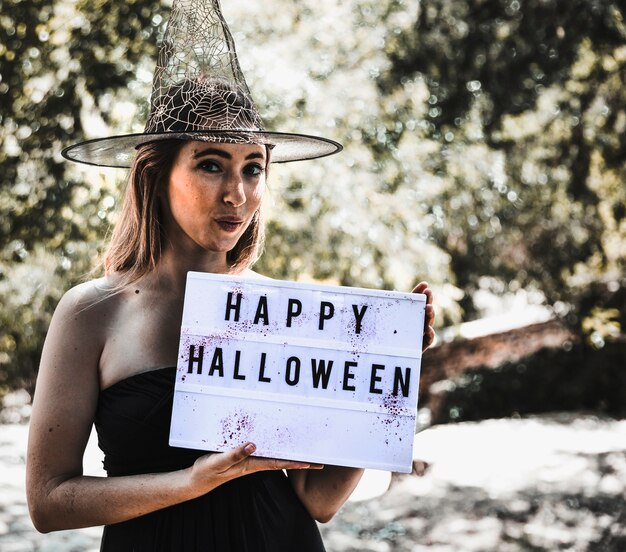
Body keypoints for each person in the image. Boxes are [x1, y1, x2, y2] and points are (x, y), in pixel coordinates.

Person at [26, 2, 436, 550]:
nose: (236, 195)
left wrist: (383, 376)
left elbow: (321, 500)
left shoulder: (279, 311)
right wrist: (189, 483)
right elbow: (48, 502)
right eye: (211, 164)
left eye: (253, 168)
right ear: (157, 173)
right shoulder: (91, 313)